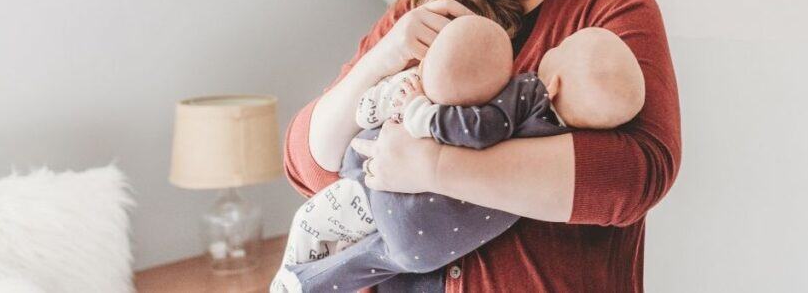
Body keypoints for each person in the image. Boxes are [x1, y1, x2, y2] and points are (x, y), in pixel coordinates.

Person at [283, 0, 681, 292]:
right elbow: (309, 168)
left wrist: (437, 169)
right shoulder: (425, 4)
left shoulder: (613, 7)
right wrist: (385, 54)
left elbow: (632, 177)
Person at [271, 17, 645, 292]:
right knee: (366, 260)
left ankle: (292, 280)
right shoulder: (556, 146)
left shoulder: (531, 95)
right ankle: (307, 285)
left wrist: (419, 112)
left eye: (560, 48)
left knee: (312, 220)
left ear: (557, 84)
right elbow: (305, 164)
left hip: (399, 203)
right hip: (426, 247)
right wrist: (386, 52)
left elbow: (478, 128)